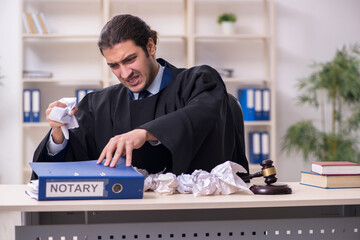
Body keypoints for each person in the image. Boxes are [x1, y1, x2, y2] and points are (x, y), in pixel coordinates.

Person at [32, 14, 248, 177]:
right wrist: (58, 134)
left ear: (151, 47)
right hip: (120, 221)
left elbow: (205, 114)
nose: (125, 73)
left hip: (194, 217)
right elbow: (68, 166)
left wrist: (145, 132)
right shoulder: (97, 105)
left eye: (129, 60)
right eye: (114, 65)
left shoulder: (198, 82)